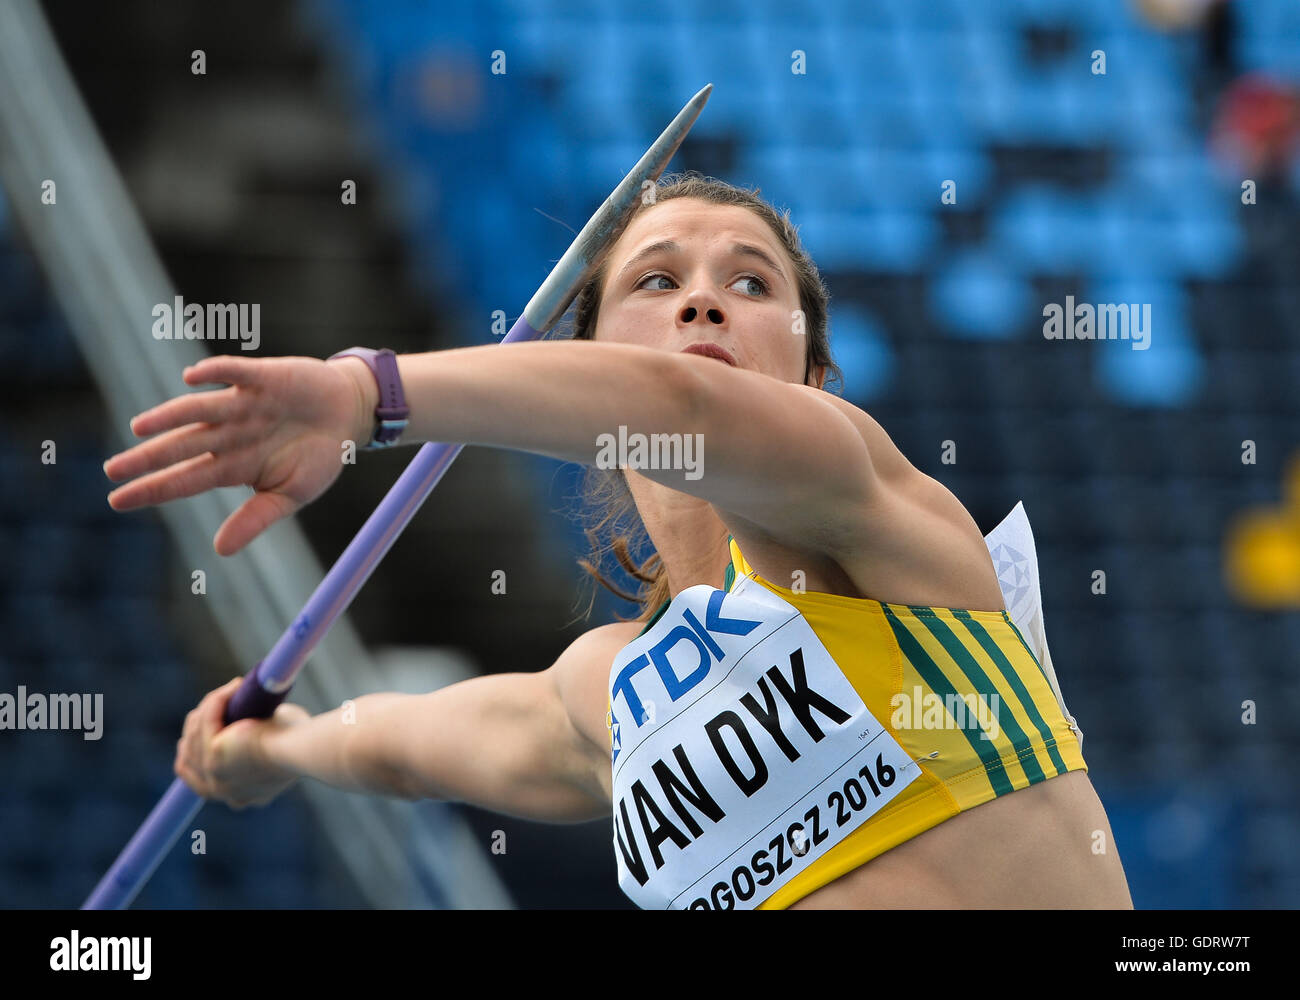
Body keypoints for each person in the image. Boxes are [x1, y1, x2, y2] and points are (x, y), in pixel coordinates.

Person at [102, 173, 1133, 909]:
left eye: (751, 284)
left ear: (815, 376)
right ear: (584, 361)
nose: (700, 299)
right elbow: (405, 741)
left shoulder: (862, 512)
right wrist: (272, 751)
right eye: (653, 281)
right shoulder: (610, 694)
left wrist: (361, 391)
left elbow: (678, 402)